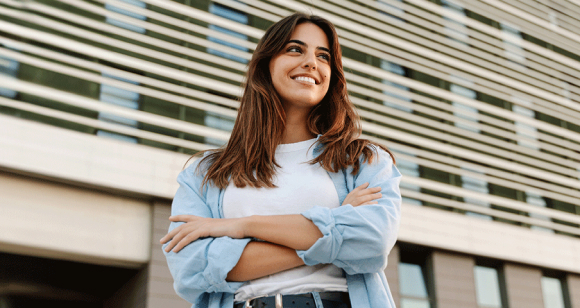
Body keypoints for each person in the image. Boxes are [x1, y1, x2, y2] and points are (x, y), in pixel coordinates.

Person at [160, 12, 402, 308]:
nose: (312, 62)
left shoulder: (362, 160)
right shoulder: (205, 173)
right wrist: (334, 230)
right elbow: (191, 268)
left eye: (323, 56)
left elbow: (373, 241)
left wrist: (240, 227)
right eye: (295, 49)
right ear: (266, 64)